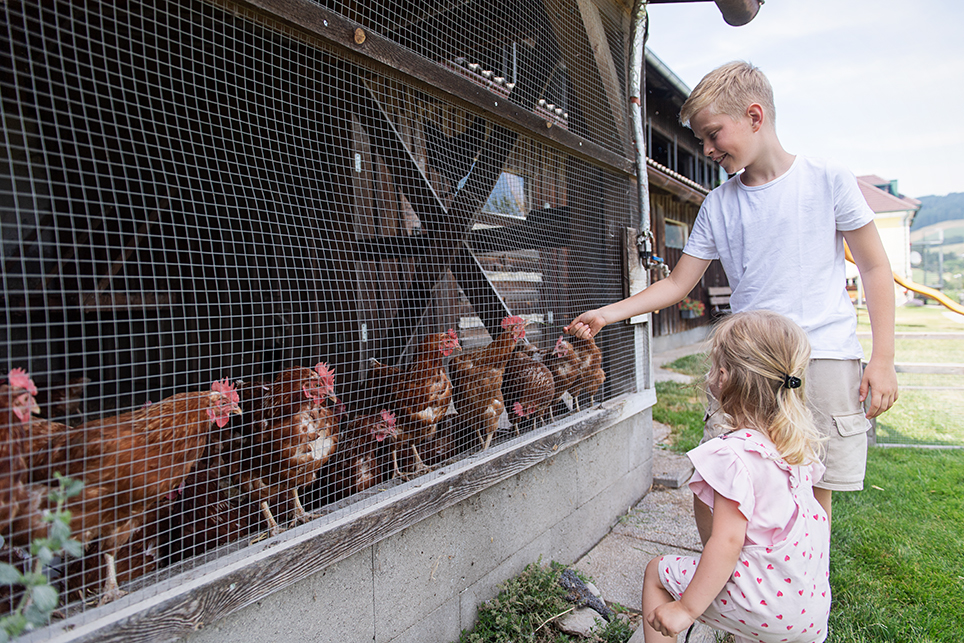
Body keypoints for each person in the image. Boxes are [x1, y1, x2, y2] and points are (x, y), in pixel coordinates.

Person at [566, 61, 898, 522]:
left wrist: (882, 359)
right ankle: (720, 568)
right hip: (744, 363)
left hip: (822, 357)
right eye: (701, 139)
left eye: (712, 134)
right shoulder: (719, 204)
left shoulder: (827, 179)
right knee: (717, 482)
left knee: (811, 491)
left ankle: (802, 570)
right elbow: (678, 283)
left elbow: (875, 267)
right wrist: (609, 313)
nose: (706, 149)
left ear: (754, 116)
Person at [641, 310, 831, 642]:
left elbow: (728, 541)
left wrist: (686, 609)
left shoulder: (733, 455)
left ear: (724, 377)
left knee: (656, 573)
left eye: (714, 365)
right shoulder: (796, 446)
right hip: (809, 607)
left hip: (765, 608)